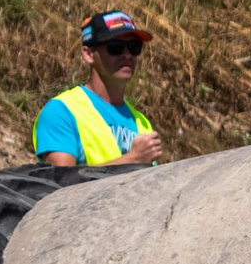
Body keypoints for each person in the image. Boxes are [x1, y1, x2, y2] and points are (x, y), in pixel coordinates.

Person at [36, 10, 163, 167]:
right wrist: (132, 160)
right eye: (115, 47)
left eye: (134, 47)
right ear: (88, 54)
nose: (127, 54)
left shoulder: (142, 123)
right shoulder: (62, 112)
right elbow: (59, 184)